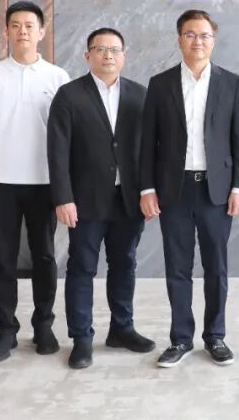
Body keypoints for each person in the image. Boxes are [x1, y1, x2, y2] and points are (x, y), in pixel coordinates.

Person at [140, 9, 239, 368]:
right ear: (179, 39)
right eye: (190, 34)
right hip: (174, 190)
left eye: (204, 35)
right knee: (178, 267)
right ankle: (180, 339)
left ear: (213, 40)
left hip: (217, 191)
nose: (197, 41)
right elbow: (148, 142)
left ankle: (215, 336)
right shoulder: (161, 84)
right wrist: (147, 189)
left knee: (217, 267)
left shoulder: (231, 83)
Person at [47, 27, 155, 369]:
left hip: (128, 199)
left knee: (124, 263)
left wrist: (149, 192)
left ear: (124, 56)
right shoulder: (69, 95)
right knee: (82, 267)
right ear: (87, 56)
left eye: (114, 49)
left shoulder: (140, 95)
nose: (108, 55)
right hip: (85, 200)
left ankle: (122, 329)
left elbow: (151, 150)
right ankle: (82, 338)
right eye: (100, 49)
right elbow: (57, 151)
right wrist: (63, 197)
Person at [0, 0, 69, 362]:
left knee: (44, 256)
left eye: (29, 25)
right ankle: (6, 330)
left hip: (44, 182)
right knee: (3, 259)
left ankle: (44, 325)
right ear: (7, 32)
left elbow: (67, 138)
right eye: (15, 25)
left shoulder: (57, 78)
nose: (22, 31)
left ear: (41, 32)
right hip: (1, 183)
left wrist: (64, 185)